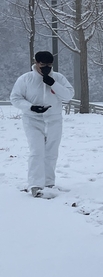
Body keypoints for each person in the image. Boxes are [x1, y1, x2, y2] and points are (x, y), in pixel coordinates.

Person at [10, 51, 75, 197]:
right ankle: (35, 184)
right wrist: (31, 107)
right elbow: (15, 98)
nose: (46, 67)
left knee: (51, 152)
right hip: (32, 120)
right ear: (36, 62)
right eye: (43, 64)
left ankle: (48, 182)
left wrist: (53, 84)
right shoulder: (25, 79)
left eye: (49, 65)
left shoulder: (58, 78)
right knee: (37, 151)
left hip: (54, 119)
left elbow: (68, 96)